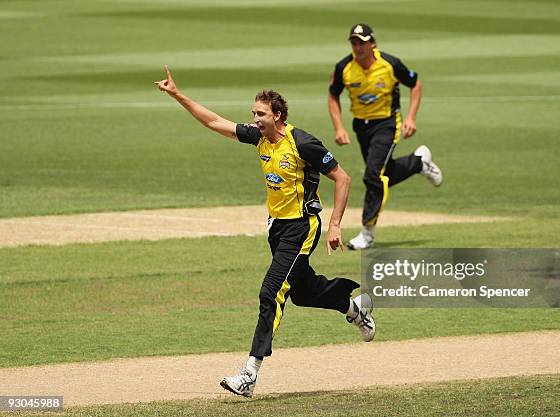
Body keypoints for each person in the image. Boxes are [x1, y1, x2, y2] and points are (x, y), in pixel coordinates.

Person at [155, 65, 375, 398]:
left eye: (261, 113)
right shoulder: (258, 137)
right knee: (301, 291)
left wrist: (335, 224)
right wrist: (178, 95)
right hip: (277, 229)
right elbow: (215, 122)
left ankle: (249, 374)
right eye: (253, 113)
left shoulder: (303, 143)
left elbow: (342, 179)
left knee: (270, 292)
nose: (255, 119)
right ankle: (355, 310)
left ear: (278, 115)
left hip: (303, 227)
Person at [328, 24, 443, 250]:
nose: (358, 47)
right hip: (361, 126)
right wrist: (339, 127)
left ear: (372, 43)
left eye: (362, 42)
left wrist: (411, 118)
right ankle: (419, 162)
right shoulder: (344, 67)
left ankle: (367, 232)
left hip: (387, 124)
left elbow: (415, 83)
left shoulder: (390, 64)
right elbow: (333, 96)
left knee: (372, 176)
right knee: (384, 172)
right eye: (354, 42)